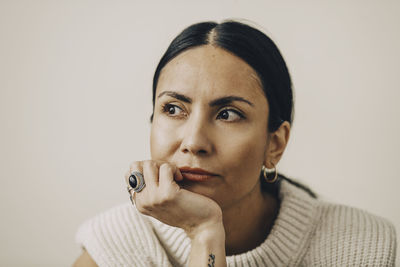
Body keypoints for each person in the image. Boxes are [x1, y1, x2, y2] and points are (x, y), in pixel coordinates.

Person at [73, 20, 397, 267]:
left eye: (228, 114)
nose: (194, 141)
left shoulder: (362, 246)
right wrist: (203, 233)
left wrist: (205, 233)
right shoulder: (113, 245)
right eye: (173, 109)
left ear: (275, 144)